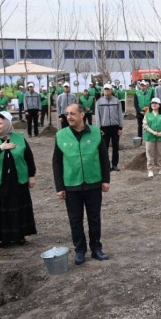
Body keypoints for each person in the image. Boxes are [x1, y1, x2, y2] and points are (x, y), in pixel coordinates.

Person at [52, 103, 111, 265]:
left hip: (93, 183)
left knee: (94, 218)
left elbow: (104, 159)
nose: (68, 117)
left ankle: (96, 248)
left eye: (72, 113)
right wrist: (59, 187)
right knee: (75, 220)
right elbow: (56, 163)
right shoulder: (61, 135)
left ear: (82, 114)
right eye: (67, 114)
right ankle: (80, 250)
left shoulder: (96, 133)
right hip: (72, 185)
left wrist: (106, 180)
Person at [0, 111, 37, 246]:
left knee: (17, 208)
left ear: (8, 124)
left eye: (0, 123)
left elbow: (29, 158)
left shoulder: (20, 138)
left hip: (17, 180)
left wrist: (31, 175)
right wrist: (0, 148)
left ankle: (18, 236)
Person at [96, 84, 124, 171]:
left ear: (111, 90)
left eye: (108, 89)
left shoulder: (117, 101)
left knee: (115, 147)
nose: (107, 91)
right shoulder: (99, 102)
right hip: (104, 128)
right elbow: (97, 116)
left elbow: (120, 114)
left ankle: (115, 165)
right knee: (105, 148)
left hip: (115, 127)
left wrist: (120, 127)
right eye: (105, 89)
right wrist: (99, 128)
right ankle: (106, 166)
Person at [143, 98, 161, 178]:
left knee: (160, 153)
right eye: (152, 103)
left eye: (156, 103)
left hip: (160, 136)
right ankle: (150, 170)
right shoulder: (147, 114)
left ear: (159, 105)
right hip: (150, 136)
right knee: (149, 153)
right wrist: (153, 132)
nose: (154, 105)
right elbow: (145, 125)